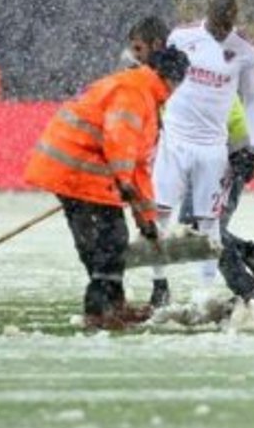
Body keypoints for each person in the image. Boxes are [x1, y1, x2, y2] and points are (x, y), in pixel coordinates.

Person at [23, 46, 189, 330]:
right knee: (109, 240)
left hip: (81, 171)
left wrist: (146, 219)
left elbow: (139, 167)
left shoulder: (145, 92)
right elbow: (120, 140)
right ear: (172, 78)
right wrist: (123, 180)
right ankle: (100, 311)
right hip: (79, 171)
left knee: (102, 241)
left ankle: (112, 304)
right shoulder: (135, 92)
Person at [150, 0, 254, 303]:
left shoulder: (245, 53)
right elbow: (159, 81)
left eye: (228, 25)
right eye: (217, 24)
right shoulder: (182, 37)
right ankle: (158, 286)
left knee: (207, 223)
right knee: (160, 213)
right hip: (174, 140)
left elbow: (253, 99)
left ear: (235, 20)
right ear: (208, 16)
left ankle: (206, 294)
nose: (222, 31)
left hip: (213, 148)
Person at [175, 97, 254, 305]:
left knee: (199, 228)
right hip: (208, 156)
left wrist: (241, 151)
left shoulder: (197, 76)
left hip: (222, 155)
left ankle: (247, 290)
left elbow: (230, 106)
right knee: (200, 228)